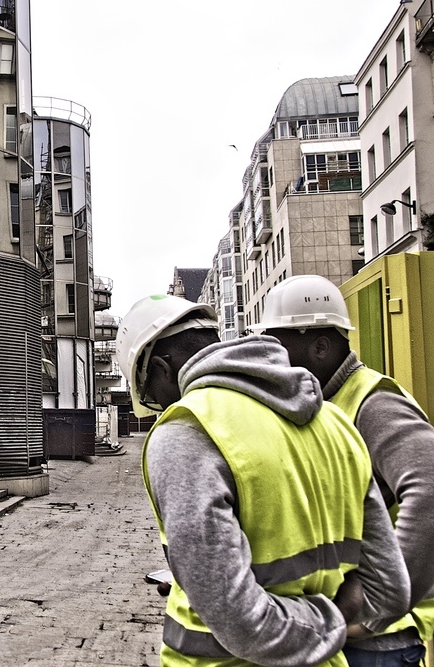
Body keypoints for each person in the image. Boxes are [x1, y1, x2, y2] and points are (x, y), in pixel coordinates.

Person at [115, 294, 409, 666]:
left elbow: (243, 625)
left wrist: (325, 623)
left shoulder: (187, 430)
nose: (160, 407)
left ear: (161, 367)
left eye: (152, 397)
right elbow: (390, 590)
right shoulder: (335, 424)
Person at [254, 274, 434, 667]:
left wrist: (374, 605)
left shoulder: (373, 403)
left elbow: (430, 492)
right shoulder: (325, 404)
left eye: (280, 347)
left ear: (320, 346)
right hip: (338, 631)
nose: (273, 361)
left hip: (375, 646)